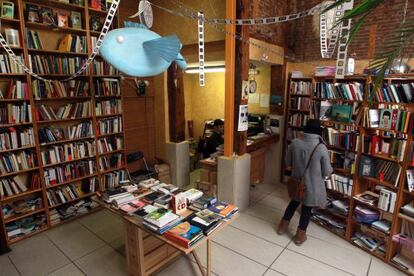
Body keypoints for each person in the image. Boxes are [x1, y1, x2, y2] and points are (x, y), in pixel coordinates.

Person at [277, 119, 333, 245]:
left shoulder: (295, 142)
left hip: (297, 182)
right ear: (318, 132)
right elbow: (327, 171)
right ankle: (299, 236)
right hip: (312, 185)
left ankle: (282, 227)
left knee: (293, 203)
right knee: (307, 209)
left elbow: (288, 162)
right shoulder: (321, 147)